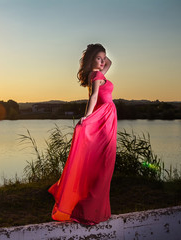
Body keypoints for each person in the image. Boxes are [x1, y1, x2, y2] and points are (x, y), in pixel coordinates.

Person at [48, 43, 117, 226]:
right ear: (91, 60)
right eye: (98, 58)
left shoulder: (97, 72)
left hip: (107, 118)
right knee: (104, 164)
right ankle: (88, 210)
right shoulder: (96, 75)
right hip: (103, 118)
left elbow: (108, 62)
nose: (103, 62)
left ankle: (95, 209)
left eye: (103, 58)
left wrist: (99, 53)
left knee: (104, 163)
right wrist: (87, 117)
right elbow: (93, 97)